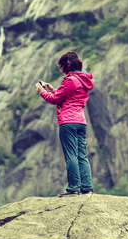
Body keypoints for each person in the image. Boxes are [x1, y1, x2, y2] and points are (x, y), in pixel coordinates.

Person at [35, 51, 95, 197]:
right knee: (82, 156)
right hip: (81, 122)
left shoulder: (70, 80)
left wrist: (42, 91)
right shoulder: (83, 80)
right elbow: (67, 97)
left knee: (71, 156)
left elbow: (55, 99)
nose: (60, 69)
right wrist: (52, 90)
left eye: (61, 66)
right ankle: (87, 187)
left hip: (68, 122)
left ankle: (74, 188)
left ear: (66, 65)